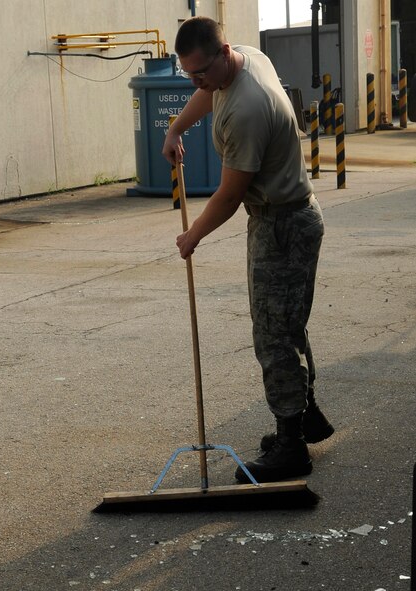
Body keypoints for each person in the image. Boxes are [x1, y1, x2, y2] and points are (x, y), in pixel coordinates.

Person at [162, 16, 334, 483]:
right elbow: (208, 93)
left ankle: (291, 446)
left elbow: (230, 193)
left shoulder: (247, 109)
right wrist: (176, 129)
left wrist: (193, 234)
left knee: (273, 334)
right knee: (288, 323)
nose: (196, 82)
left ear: (223, 52)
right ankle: (304, 417)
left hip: (281, 225)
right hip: (289, 217)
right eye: (189, 74)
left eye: (201, 71)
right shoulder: (245, 61)